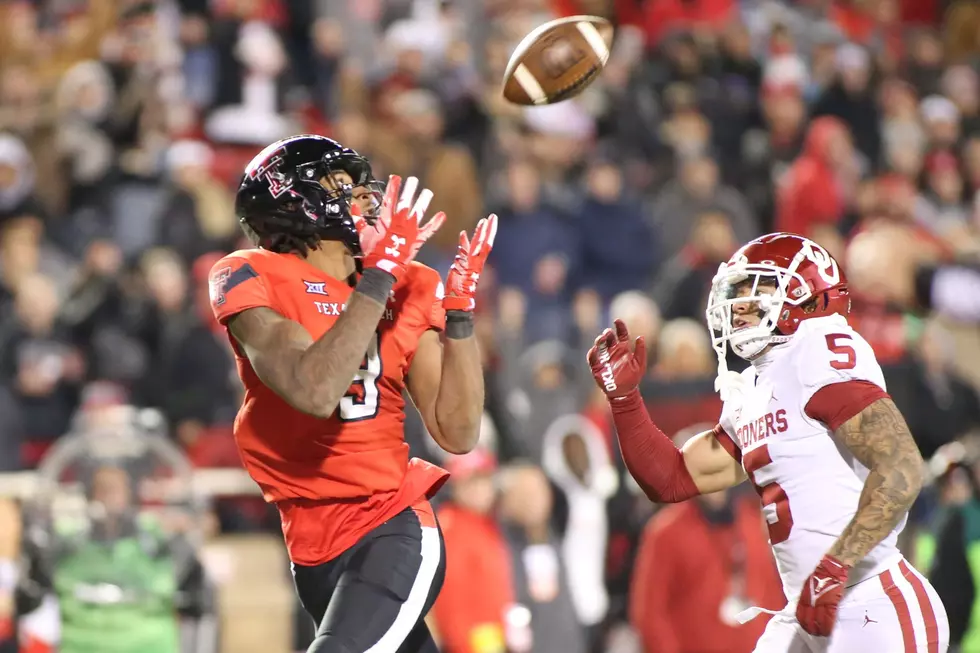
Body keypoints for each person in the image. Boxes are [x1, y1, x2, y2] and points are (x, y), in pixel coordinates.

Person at [588, 233, 950, 652]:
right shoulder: (760, 383)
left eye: (754, 291)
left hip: (872, 602)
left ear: (803, 294)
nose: (739, 307)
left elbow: (902, 468)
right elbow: (669, 479)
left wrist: (836, 565)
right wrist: (625, 400)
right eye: (736, 294)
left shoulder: (818, 347)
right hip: (809, 605)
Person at [207, 134, 496, 653]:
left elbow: (459, 431)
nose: (363, 197)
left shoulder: (406, 284)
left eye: (362, 186)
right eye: (340, 185)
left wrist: (459, 318)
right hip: (311, 544)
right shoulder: (251, 273)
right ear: (291, 198)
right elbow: (314, 387)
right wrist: (378, 278)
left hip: (390, 523)